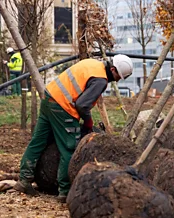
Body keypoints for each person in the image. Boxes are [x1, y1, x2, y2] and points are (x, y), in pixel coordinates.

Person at [14, 54, 134, 203]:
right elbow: (82, 104)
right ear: (113, 69)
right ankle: (64, 191)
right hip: (63, 107)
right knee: (69, 148)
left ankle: (24, 179)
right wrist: (88, 121)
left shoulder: (92, 64)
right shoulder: (101, 80)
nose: (116, 80)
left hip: (49, 97)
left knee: (38, 141)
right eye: (118, 77)